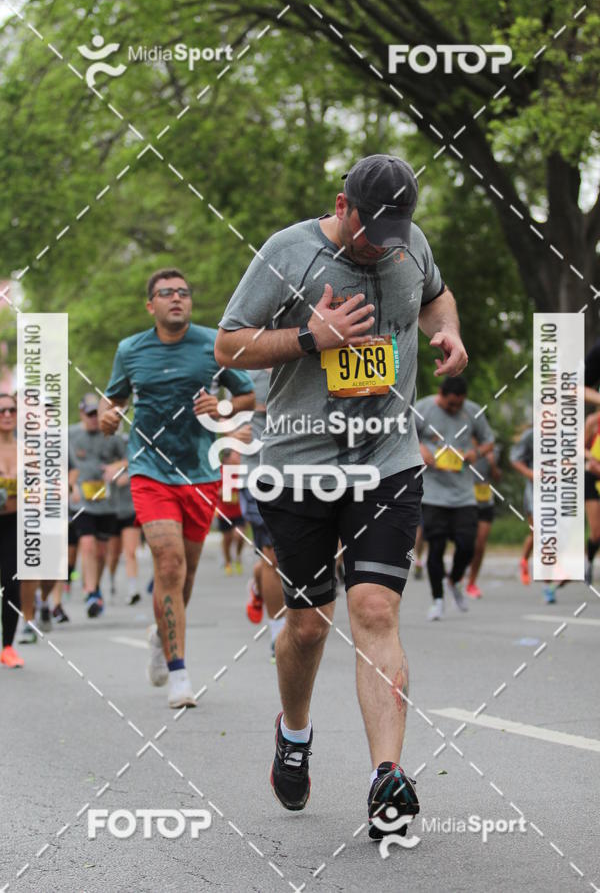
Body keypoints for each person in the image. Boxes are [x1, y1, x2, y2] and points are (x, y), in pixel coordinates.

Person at [215, 154, 468, 836]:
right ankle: (293, 735)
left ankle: (387, 777)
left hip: (386, 461)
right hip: (300, 463)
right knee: (306, 623)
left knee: (375, 608)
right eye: (369, 231)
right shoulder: (288, 252)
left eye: (394, 231)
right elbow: (229, 346)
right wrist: (310, 337)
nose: (380, 245)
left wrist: (449, 329)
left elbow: (436, 292)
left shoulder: (408, 242)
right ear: (342, 204)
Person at [99, 268, 254, 709]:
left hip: (200, 472)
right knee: (168, 565)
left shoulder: (214, 344)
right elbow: (114, 401)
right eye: (166, 293)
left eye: (183, 293)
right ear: (151, 305)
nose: (176, 299)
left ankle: (160, 636)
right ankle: (179, 673)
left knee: (182, 573)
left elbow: (246, 397)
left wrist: (221, 404)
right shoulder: (130, 350)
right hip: (149, 470)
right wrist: (109, 415)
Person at [415, 377, 494, 619]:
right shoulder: (423, 408)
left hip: (463, 494)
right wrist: (420, 449)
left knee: (468, 545)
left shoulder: (471, 411)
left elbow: (489, 441)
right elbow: (402, 434)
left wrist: (476, 453)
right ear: (440, 394)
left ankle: (455, 579)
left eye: (458, 405)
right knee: (436, 547)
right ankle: (437, 600)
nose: (454, 409)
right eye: (450, 405)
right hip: (433, 493)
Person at [237, 368, 286, 662]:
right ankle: (278, 634)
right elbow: (221, 413)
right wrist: (232, 431)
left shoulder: (308, 359)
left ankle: (258, 583)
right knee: (273, 556)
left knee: (288, 557)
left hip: (303, 473)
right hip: (258, 474)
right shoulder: (245, 372)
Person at [68, 394, 125, 617]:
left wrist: (118, 469)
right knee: (88, 544)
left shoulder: (113, 436)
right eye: (89, 414)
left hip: (107, 502)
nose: (93, 418)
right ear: (82, 413)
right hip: (81, 500)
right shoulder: (70, 435)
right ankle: (90, 592)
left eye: (96, 414)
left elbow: (131, 458)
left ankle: (96, 586)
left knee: (102, 551)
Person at [0, 393, 23, 668]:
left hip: (15, 522)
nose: (7, 415)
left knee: (12, 585)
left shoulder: (26, 450)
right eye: (1, 410)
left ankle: (8, 646)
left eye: (12, 410)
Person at [105, 443, 142, 605]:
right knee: (113, 554)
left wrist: (127, 473)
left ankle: (132, 589)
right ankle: (111, 582)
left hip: (130, 510)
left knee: (130, 551)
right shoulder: (103, 453)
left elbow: (139, 461)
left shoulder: (134, 458)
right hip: (111, 510)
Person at [465, 444, 501, 598]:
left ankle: (472, 582)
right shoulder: (462, 445)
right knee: (465, 543)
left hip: (485, 501)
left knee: (480, 544)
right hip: (465, 501)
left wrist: (492, 463)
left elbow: (498, 477)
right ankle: (459, 572)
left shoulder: (493, 450)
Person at [510, 426, 535, 587]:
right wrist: (532, 474)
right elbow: (515, 460)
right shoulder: (530, 435)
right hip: (535, 491)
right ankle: (525, 561)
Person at [216, 449, 246, 575]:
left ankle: (238, 557)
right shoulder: (220, 473)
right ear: (227, 459)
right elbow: (214, 491)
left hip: (239, 511)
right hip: (224, 512)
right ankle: (228, 562)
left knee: (239, 536)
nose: (239, 458)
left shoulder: (242, 472)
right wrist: (220, 492)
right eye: (236, 455)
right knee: (227, 539)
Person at [584, 410, 600, 585]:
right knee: (596, 532)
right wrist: (592, 459)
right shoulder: (593, 421)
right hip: (593, 477)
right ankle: (588, 562)